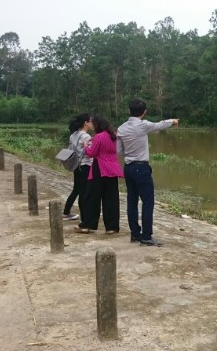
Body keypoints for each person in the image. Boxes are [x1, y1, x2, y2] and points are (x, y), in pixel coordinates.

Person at [116, 98, 179, 246]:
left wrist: (129, 152)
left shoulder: (121, 128)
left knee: (132, 201)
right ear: (144, 112)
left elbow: (118, 150)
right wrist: (173, 121)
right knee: (147, 202)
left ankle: (135, 234)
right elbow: (159, 125)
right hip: (141, 168)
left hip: (129, 167)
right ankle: (146, 236)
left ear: (129, 111)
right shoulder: (143, 125)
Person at [75, 114, 123, 235]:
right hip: (112, 169)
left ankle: (87, 225)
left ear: (97, 124)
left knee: (92, 197)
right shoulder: (113, 136)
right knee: (111, 198)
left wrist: (86, 145)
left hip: (100, 168)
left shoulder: (99, 136)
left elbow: (91, 153)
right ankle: (112, 227)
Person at [62, 113, 93, 221]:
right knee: (84, 192)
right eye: (90, 121)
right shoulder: (86, 136)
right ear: (86, 123)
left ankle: (66, 212)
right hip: (85, 166)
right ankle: (84, 218)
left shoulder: (73, 135)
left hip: (76, 165)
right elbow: (90, 153)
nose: (92, 123)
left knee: (76, 190)